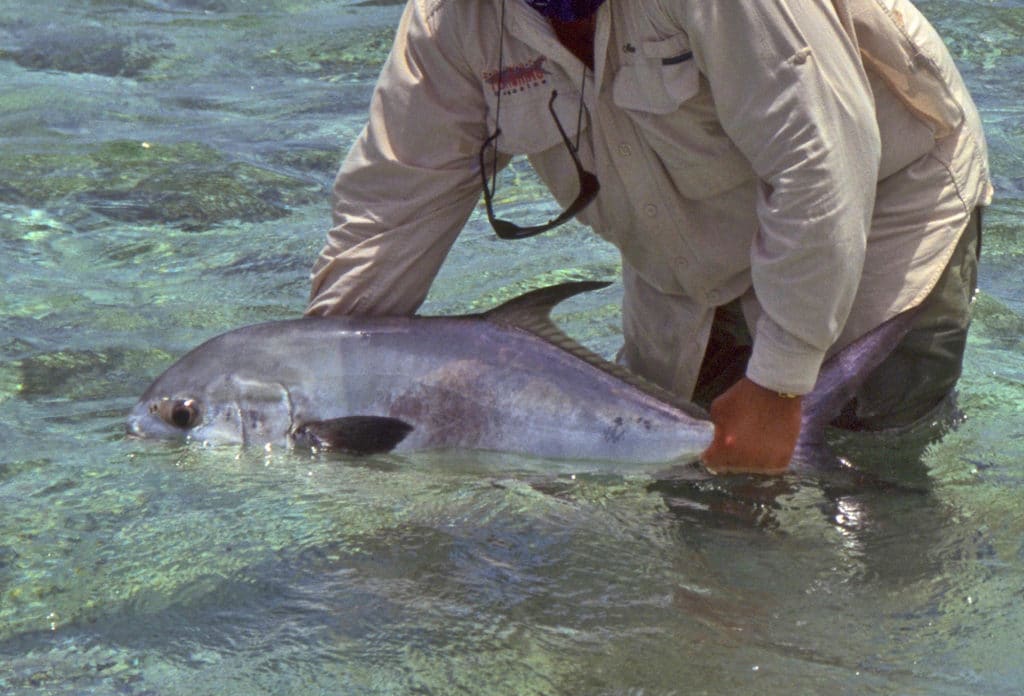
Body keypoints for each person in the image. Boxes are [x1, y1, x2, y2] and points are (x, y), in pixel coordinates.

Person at [306, 0, 992, 474]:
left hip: (880, 207)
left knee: (869, 481)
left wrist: (780, 384)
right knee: (693, 500)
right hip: (680, 255)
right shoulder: (448, 22)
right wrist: (308, 375)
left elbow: (822, 164)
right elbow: (391, 203)